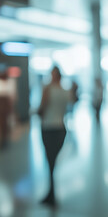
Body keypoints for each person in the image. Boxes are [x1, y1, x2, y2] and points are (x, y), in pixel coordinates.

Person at [38, 66, 71, 206]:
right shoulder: (65, 91)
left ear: (55, 75)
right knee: (52, 162)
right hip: (61, 128)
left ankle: (51, 194)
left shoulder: (48, 89)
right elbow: (70, 106)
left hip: (48, 128)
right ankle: (51, 193)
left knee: (50, 161)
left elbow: (41, 108)